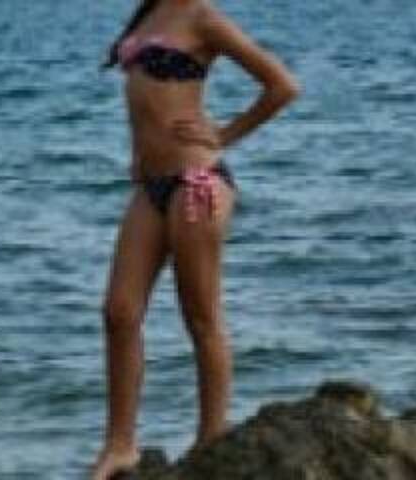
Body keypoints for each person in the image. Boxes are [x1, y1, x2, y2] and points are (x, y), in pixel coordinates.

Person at [89, 0, 300, 478]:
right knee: (119, 313)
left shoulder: (204, 17)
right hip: (151, 187)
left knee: (201, 318)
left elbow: (282, 85)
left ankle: (210, 441)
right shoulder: (151, 11)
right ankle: (120, 446)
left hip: (195, 181)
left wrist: (224, 134)